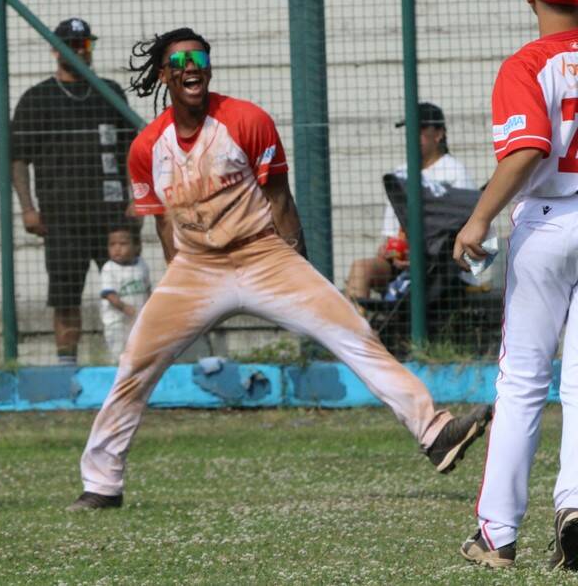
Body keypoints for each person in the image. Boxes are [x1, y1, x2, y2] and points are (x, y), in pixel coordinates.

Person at [68, 27, 492, 511]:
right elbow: (164, 222)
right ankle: (101, 484)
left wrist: (300, 267)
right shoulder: (147, 148)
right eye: (181, 60)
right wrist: (177, 278)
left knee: (354, 331)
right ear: (164, 74)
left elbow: (280, 200)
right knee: (134, 366)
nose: (193, 66)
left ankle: (436, 432)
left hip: (264, 255)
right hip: (196, 267)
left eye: (201, 58)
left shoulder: (247, 120)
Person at [455, 0, 578, 570]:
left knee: (525, 380)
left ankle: (497, 536)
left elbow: (529, 149)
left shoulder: (526, 64)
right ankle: (577, 504)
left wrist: (477, 218)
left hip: (549, 222)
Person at [11, 17, 138, 365]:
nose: (81, 50)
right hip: (62, 219)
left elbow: (133, 149)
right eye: (72, 44)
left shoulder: (110, 91)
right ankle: (67, 370)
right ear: (55, 49)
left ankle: (133, 365)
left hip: (113, 216)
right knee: (65, 297)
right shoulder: (37, 99)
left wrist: (137, 196)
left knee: (130, 290)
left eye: (85, 44)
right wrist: (27, 208)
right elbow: (18, 159)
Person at [345, 102, 474, 300]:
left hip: (441, 269)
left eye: (420, 130)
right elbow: (391, 235)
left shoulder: (454, 172)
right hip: (402, 264)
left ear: (439, 134)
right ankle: (356, 331)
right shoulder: (400, 174)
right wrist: (389, 252)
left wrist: (420, 256)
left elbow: (463, 233)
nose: (411, 136)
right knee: (361, 269)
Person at [99, 226, 151, 360]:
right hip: (117, 322)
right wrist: (125, 308)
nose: (117, 248)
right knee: (119, 354)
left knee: (139, 354)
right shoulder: (109, 268)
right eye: (112, 244)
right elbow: (110, 295)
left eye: (123, 244)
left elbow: (147, 289)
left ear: (136, 246)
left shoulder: (142, 265)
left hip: (138, 320)